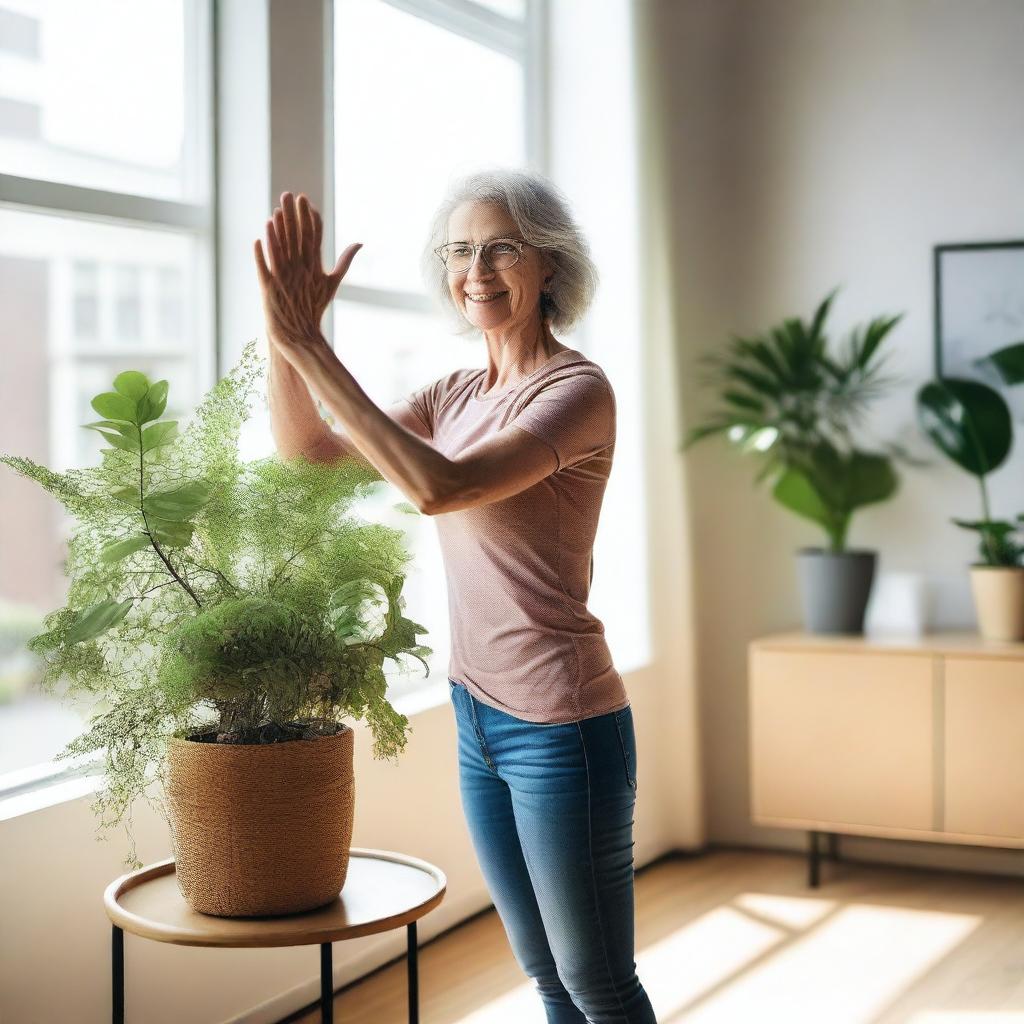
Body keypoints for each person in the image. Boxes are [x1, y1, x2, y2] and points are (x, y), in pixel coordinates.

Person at [256, 168, 656, 1023]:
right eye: (460, 250)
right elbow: (309, 459)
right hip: (478, 713)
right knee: (544, 974)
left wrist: (313, 347)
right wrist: (287, 334)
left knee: (598, 983)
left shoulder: (575, 392)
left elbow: (441, 488)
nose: (476, 268)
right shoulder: (454, 394)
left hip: (562, 725)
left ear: (549, 265)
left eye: (501, 247)